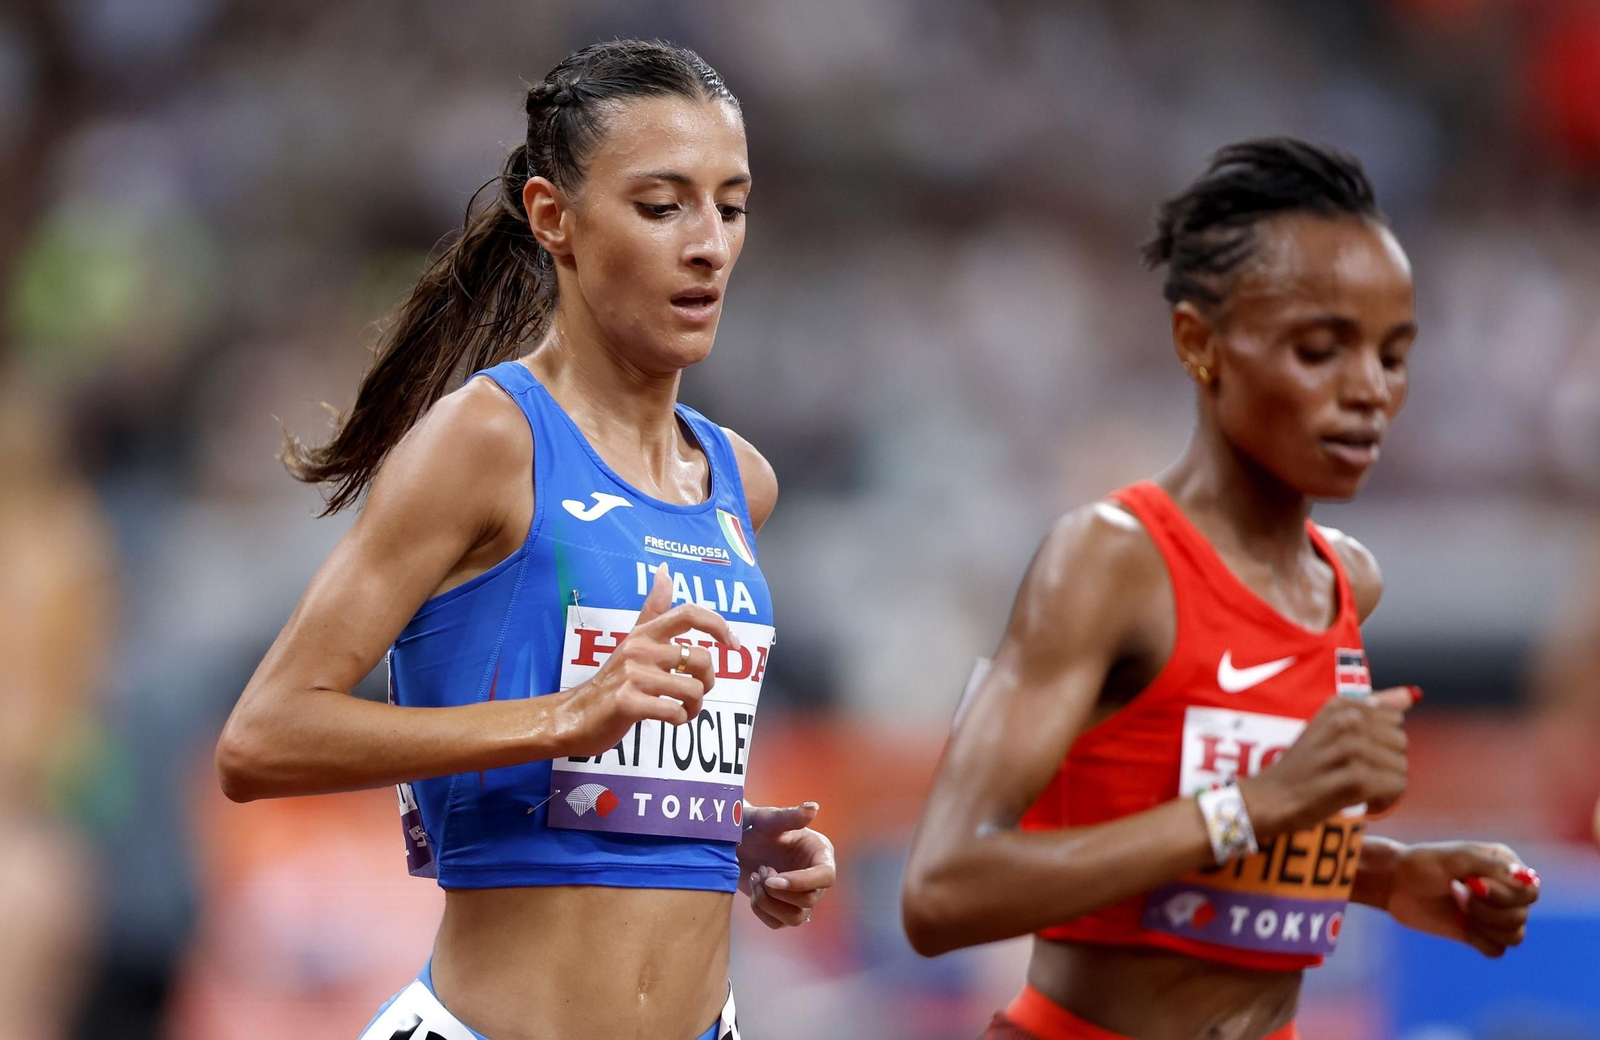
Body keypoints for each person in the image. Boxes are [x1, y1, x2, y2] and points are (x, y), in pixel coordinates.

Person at [214, 40, 834, 1040]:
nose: (710, 243)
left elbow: (611, 772)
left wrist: (720, 832)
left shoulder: (739, 481)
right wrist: (561, 717)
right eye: (662, 203)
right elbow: (262, 737)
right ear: (555, 218)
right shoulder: (488, 439)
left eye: (732, 203)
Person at [900, 139, 1539, 1040]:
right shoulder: (1110, 561)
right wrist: (1268, 801)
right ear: (1200, 344)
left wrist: (1386, 876)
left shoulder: (1350, 582)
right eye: (1321, 350)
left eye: (1393, 356)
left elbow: (1174, 823)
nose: (1368, 392)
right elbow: (942, 892)